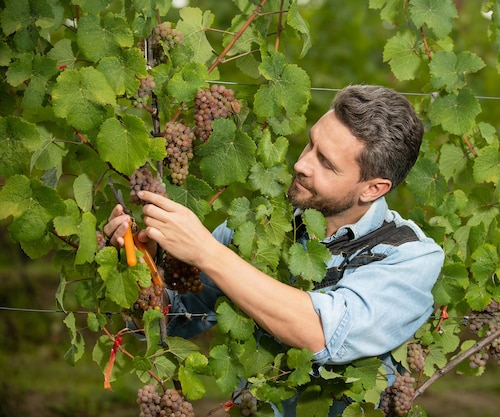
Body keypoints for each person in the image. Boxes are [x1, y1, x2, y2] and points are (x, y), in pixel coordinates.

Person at [104, 85, 444, 416]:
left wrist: (207, 251)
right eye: (311, 144)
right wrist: (140, 264)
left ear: (373, 188)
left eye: (326, 162)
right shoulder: (264, 223)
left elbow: (322, 333)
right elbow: (176, 317)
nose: (302, 164)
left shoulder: (409, 257)